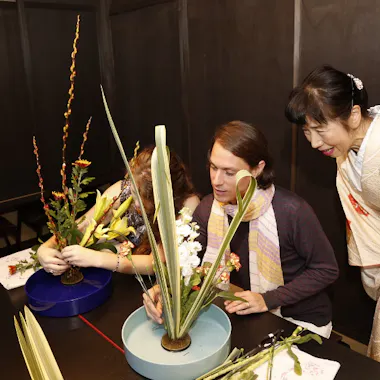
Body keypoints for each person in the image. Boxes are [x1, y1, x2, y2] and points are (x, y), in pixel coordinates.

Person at [144, 120, 339, 338]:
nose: (217, 181)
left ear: (257, 169)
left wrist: (268, 299)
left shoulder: (292, 211)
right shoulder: (209, 209)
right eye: (213, 167)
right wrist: (167, 288)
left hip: (302, 320)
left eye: (229, 172)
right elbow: (190, 263)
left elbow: (326, 269)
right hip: (252, 313)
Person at [285, 64, 380, 359]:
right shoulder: (350, 152)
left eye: (320, 129)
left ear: (352, 115)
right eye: (306, 131)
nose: (314, 142)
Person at [37, 146, 200, 276]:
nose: (134, 202)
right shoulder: (125, 189)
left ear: (161, 198)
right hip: (120, 276)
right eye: (133, 192)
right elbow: (84, 224)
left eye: (142, 199)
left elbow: (155, 263)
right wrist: (46, 248)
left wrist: (96, 258)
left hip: (152, 286)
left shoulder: (187, 206)